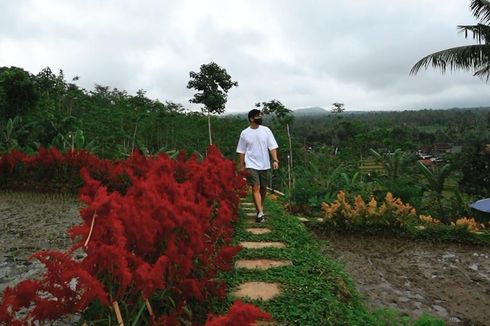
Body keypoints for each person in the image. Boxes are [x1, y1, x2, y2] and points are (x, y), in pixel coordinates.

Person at [236, 109, 279, 222]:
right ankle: (260, 213)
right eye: (257, 116)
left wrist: (275, 160)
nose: (260, 117)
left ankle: (259, 208)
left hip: (265, 164)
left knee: (263, 188)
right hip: (251, 164)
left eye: (260, 116)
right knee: (256, 187)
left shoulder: (266, 131)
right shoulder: (245, 133)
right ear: (251, 119)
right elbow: (241, 150)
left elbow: (272, 146)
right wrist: (242, 165)